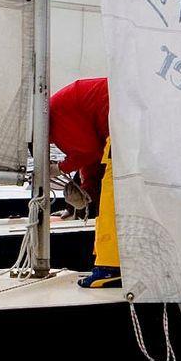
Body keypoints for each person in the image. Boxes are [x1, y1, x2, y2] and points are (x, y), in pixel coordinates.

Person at [49, 76, 120, 288]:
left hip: (122, 120)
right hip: (122, 118)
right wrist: (87, 191)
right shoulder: (58, 112)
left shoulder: (56, 117)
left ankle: (111, 268)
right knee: (111, 190)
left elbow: (88, 151)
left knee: (112, 195)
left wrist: (60, 168)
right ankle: (116, 262)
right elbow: (94, 156)